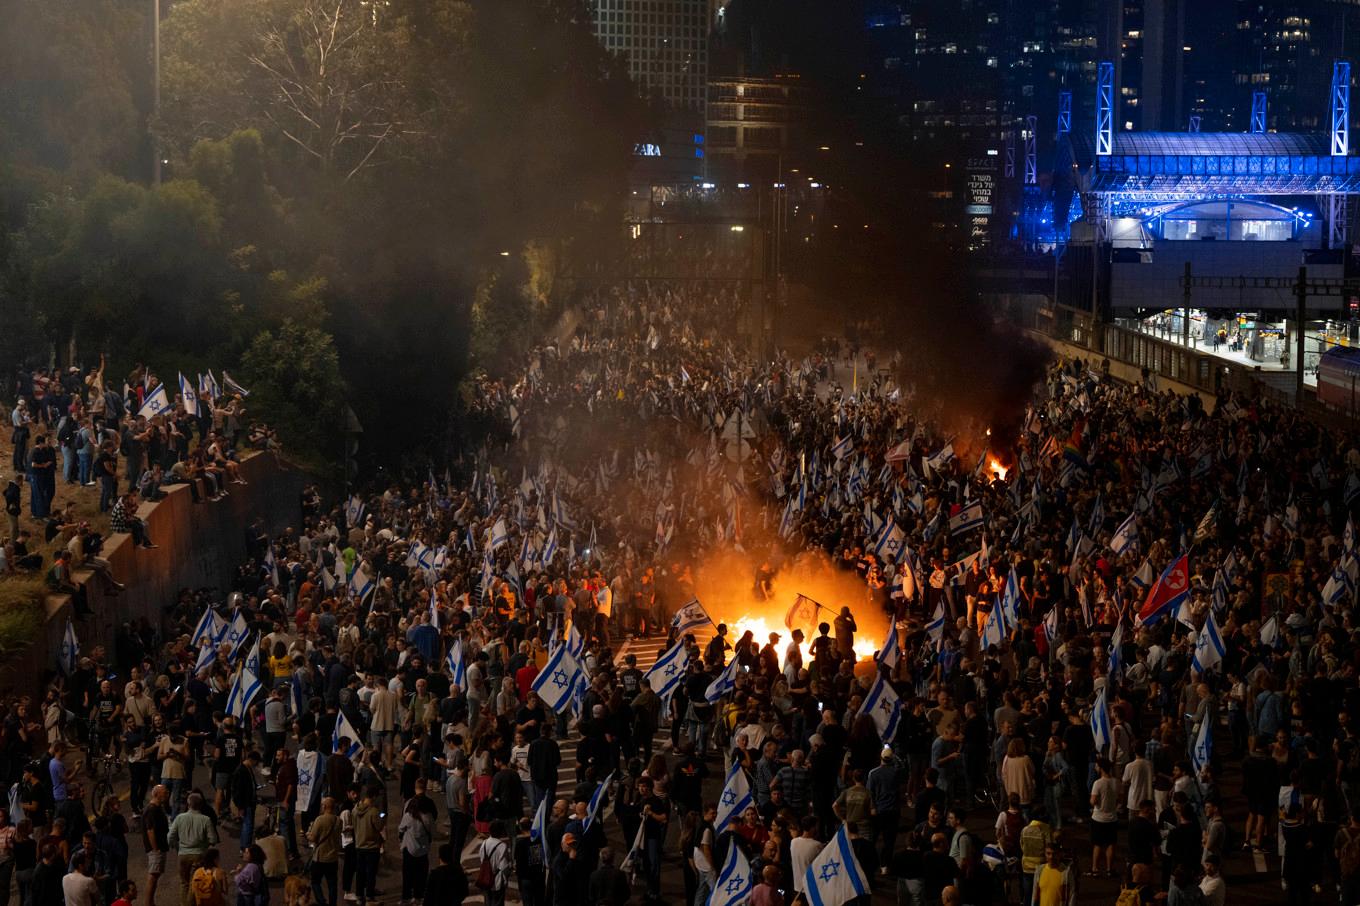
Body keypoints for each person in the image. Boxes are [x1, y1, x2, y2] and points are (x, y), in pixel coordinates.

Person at [168, 792, 219, 906]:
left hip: (183, 855)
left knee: (183, 882)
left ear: (188, 804)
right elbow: (213, 839)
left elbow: (170, 836)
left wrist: (177, 847)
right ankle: (190, 904)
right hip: (199, 855)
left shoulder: (180, 818)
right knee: (194, 882)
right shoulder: (206, 820)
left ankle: (184, 904)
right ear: (201, 805)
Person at [398, 794, 435, 904]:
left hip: (409, 849)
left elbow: (401, 828)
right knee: (421, 875)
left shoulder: (408, 816)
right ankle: (419, 896)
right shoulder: (428, 817)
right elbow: (433, 832)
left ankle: (406, 897)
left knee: (407, 875)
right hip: (423, 850)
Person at [352, 784, 384, 906]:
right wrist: (382, 815)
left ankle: (359, 896)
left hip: (359, 845)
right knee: (371, 873)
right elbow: (379, 826)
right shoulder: (374, 811)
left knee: (360, 873)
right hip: (372, 847)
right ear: (374, 796)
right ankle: (370, 897)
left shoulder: (355, 809)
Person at [307, 796, 342, 906]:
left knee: (315, 881)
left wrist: (308, 833)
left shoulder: (320, 820)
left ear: (324, 806)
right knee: (332, 884)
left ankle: (321, 902)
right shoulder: (338, 820)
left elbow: (313, 838)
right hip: (333, 858)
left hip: (320, 857)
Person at [478, 820, 513, 906]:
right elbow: (504, 867)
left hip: (486, 879)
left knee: (488, 901)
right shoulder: (502, 846)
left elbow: (482, 859)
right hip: (497, 881)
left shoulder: (484, 843)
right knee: (498, 902)